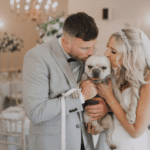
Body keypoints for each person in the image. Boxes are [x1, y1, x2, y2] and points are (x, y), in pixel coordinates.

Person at [23, 12, 109, 150]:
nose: (91, 53)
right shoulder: (37, 57)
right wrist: (81, 96)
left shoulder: (87, 57)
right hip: (52, 145)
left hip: (85, 143)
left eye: (93, 46)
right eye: (85, 48)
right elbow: (35, 112)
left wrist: (104, 108)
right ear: (65, 42)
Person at [87, 28, 150, 150]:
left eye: (113, 51)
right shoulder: (118, 74)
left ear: (130, 54)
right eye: (108, 48)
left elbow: (136, 132)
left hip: (129, 146)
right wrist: (98, 123)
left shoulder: (147, 79)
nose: (106, 54)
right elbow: (116, 112)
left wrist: (109, 97)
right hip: (106, 143)